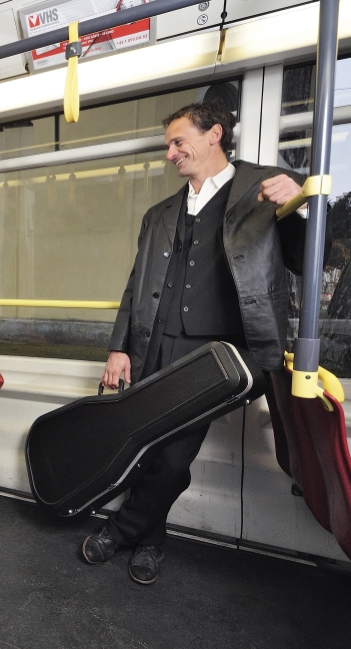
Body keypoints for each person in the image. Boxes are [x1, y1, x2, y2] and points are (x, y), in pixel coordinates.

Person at [82, 101, 332, 585]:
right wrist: (119, 347)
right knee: (148, 449)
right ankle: (151, 543)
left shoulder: (264, 189)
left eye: (179, 142)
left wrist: (304, 200)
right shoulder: (159, 215)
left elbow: (310, 260)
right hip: (154, 344)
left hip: (218, 355)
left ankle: (121, 530)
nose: (172, 154)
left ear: (214, 133)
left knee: (175, 455)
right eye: (168, 147)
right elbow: (137, 285)